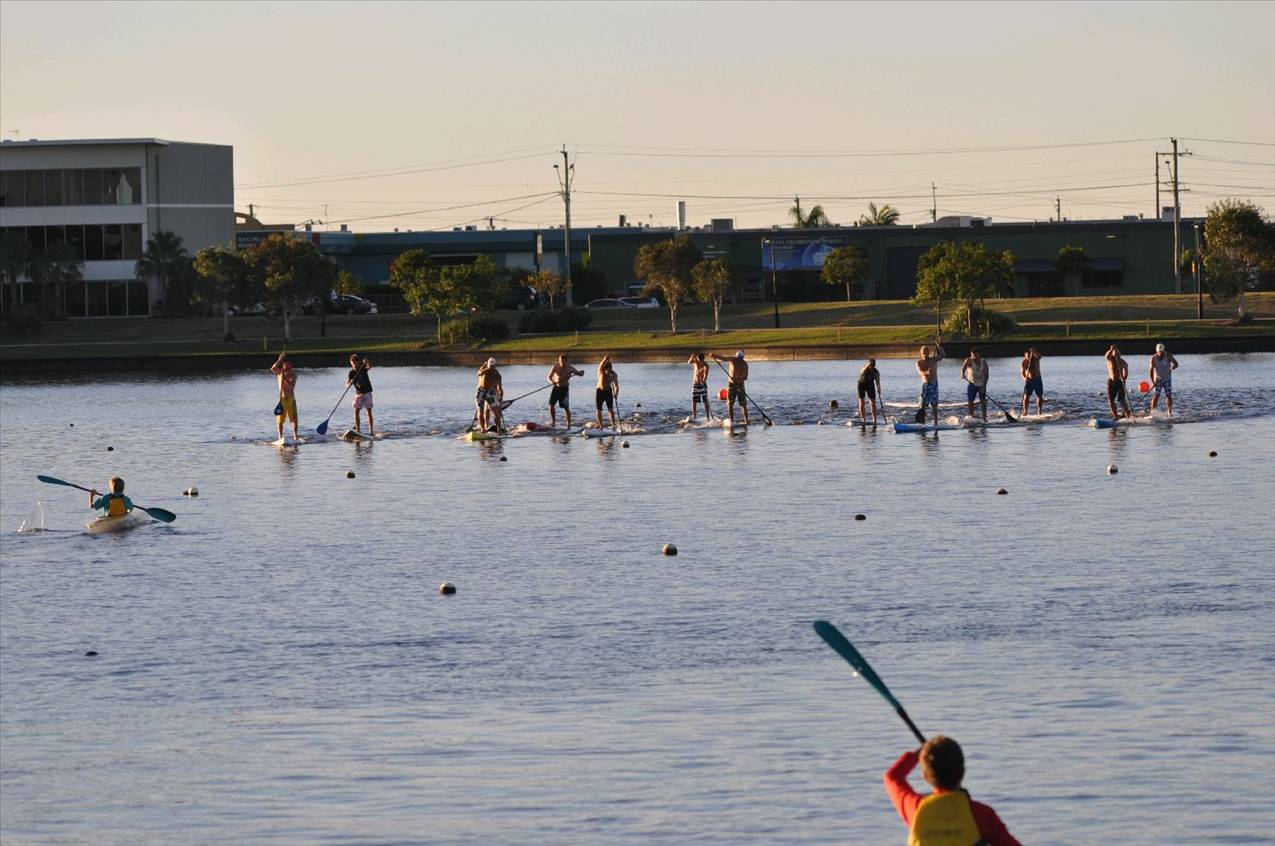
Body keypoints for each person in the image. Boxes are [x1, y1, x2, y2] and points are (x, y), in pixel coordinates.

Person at [884, 735, 1020, 846]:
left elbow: (892, 777)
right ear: (963, 771)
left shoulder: (915, 809)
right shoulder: (982, 814)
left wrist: (919, 752)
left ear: (925, 776)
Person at [711, 350, 750, 426]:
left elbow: (745, 377)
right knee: (730, 404)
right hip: (731, 385)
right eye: (738, 358)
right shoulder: (732, 360)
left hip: (740, 385)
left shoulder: (744, 364)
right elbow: (723, 358)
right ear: (736, 357)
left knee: (743, 404)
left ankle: (746, 421)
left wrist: (737, 379)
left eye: (741, 358)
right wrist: (714, 356)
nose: (739, 360)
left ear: (743, 357)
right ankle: (731, 421)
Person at [547, 354, 585, 428]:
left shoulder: (570, 368)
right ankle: (553, 422)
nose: (562, 363)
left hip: (564, 389)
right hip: (556, 388)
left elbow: (579, 374)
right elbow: (548, 377)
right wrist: (552, 382)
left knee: (566, 407)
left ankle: (568, 424)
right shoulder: (555, 366)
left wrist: (581, 373)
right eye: (560, 361)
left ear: (566, 361)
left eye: (563, 362)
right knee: (551, 405)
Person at [270, 352, 299, 441]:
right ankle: (280, 436)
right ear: (284, 368)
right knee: (280, 420)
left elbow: (290, 386)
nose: (287, 371)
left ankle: (295, 435)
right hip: (281, 399)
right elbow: (273, 368)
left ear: (291, 369)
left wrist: (284, 377)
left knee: (294, 419)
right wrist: (280, 359)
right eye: (286, 369)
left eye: (289, 369)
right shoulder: (279, 372)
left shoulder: (294, 375)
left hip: (290, 399)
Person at [914, 339, 944, 424]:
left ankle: (936, 423)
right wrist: (927, 372)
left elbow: (942, 355)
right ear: (921, 353)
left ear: (929, 353)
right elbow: (920, 372)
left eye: (926, 353)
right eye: (923, 353)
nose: (925, 355)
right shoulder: (919, 362)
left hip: (934, 385)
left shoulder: (933, 360)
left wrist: (938, 346)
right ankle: (921, 422)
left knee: (934, 405)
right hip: (926, 386)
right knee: (923, 405)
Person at [1149, 342, 1180, 415]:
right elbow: (1150, 371)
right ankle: (1152, 412)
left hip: (1167, 379)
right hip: (1157, 380)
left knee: (1168, 395)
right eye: (1159, 351)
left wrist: (1173, 366)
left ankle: (1169, 412)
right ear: (1157, 351)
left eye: (1162, 351)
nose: (1160, 353)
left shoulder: (1168, 355)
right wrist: (1153, 382)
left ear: (1163, 350)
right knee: (1156, 396)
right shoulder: (1153, 358)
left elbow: (1176, 364)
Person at [475, 357, 504, 433]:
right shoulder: (483, 369)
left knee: (496, 412)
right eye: (490, 365)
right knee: (480, 411)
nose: (491, 367)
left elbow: (500, 388)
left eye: (492, 366)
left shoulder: (497, 375)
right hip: (481, 391)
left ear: (495, 366)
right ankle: (483, 429)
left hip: (490, 392)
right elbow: (478, 373)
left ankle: (499, 430)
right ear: (488, 364)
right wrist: (486, 368)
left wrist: (500, 397)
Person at [347, 353, 374, 434]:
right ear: (351, 363)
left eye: (355, 363)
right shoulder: (351, 373)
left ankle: (371, 431)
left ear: (358, 362)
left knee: (369, 412)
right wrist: (350, 383)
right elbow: (347, 384)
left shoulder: (362, 368)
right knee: (356, 412)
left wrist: (367, 362)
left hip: (367, 393)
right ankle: (358, 430)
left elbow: (370, 366)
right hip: (358, 394)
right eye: (353, 364)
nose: (354, 365)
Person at [961, 347, 990, 421]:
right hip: (972, 383)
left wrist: (984, 386)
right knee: (970, 401)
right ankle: (971, 415)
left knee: (983, 401)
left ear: (979, 354)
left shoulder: (984, 362)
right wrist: (963, 374)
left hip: (981, 384)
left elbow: (986, 375)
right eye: (973, 355)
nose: (974, 357)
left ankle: (984, 416)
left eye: (976, 355)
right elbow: (963, 369)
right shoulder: (969, 360)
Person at [1105, 345, 1132, 419]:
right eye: (1115, 354)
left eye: (1118, 354)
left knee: (1121, 399)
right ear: (1113, 354)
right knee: (1110, 399)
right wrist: (1111, 350)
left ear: (1120, 355)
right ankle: (1116, 416)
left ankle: (1127, 416)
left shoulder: (1123, 363)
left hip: (1120, 382)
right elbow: (1106, 356)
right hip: (1111, 382)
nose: (1117, 356)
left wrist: (1124, 377)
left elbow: (1125, 373)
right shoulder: (1110, 359)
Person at [595, 355, 620, 429]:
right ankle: (601, 426)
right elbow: (600, 365)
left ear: (610, 368)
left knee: (610, 409)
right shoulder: (600, 371)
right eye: (605, 368)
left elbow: (616, 386)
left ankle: (613, 425)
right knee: (598, 410)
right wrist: (604, 360)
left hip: (608, 391)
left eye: (608, 368)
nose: (607, 370)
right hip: (599, 391)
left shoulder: (613, 374)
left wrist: (616, 394)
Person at [857, 358, 882, 424]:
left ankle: (874, 420)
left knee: (872, 403)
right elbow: (862, 372)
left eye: (873, 365)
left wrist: (878, 388)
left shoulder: (876, 372)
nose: (871, 367)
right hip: (861, 385)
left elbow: (878, 382)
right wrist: (868, 365)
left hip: (870, 385)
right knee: (862, 402)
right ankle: (863, 419)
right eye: (870, 365)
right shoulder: (864, 368)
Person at [1020, 348, 1044, 416]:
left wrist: (1034, 352)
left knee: (1039, 396)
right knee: (1026, 396)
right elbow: (1022, 373)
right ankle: (1025, 411)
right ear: (1025, 355)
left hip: (1038, 379)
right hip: (1029, 380)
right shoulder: (1024, 362)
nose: (1029, 357)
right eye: (1027, 356)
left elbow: (1040, 357)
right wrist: (1025, 378)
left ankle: (1039, 411)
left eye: (1029, 355)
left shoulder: (1036, 358)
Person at [688, 352, 712, 421]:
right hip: (695, 384)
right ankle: (694, 416)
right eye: (699, 360)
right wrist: (691, 357)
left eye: (701, 361)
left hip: (702, 384)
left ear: (703, 359)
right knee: (694, 400)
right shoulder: (695, 362)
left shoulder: (706, 365)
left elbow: (705, 375)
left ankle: (708, 417)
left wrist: (703, 381)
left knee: (705, 400)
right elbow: (689, 362)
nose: (700, 362)